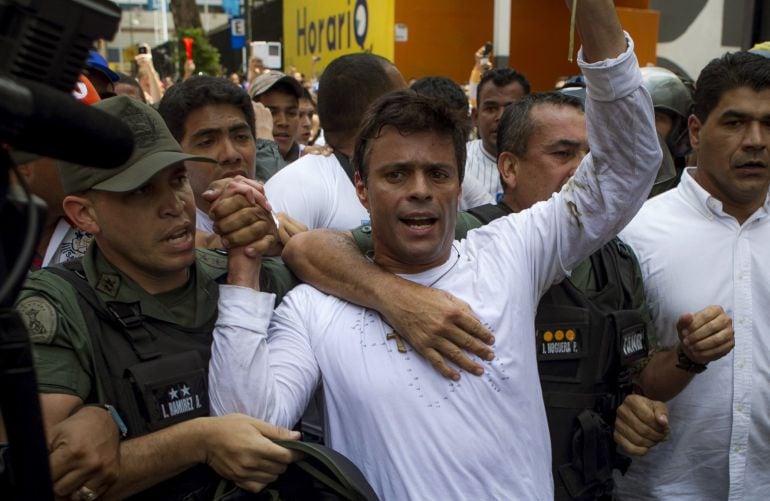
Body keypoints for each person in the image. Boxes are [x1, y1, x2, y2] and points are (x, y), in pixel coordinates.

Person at [209, 1, 663, 497]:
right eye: (396, 174)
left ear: (459, 184)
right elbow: (245, 423)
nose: (420, 189)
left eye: (438, 173)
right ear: (361, 187)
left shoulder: (510, 254)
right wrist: (244, 265)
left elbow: (626, 166)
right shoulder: (312, 310)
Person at [15, 96, 301, 499]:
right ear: (85, 214)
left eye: (178, 179)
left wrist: (276, 235)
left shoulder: (237, 274)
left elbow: (371, 253)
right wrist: (195, 441)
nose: (174, 206)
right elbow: (51, 476)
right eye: (140, 191)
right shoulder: (59, 306)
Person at [613, 50, 769, 500]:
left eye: (769, 123)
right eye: (736, 122)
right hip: (663, 490)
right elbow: (608, 377)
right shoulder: (637, 233)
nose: (756, 140)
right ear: (697, 132)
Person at [264, 53, 407, 230]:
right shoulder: (299, 187)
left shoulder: (412, 184)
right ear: (377, 113)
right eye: (403, 102)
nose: (412, 111)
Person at [158, 75, 281, 233]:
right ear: (174, 153)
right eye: (207, 142)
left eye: (241, 137)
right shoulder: (161, 233)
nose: (231, 154)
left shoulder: (286, 208)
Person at [466, 67, 530, 199]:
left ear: (529, 115)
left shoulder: (547, 162)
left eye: (511, 108)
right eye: (491, 108)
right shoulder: (459, 164)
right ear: (475, 117)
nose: (500, 117)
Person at [249, 72, 303, 163]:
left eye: (291, 113)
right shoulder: (236, 164)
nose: (283, 122)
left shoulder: (312, 161)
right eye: (272, 113)